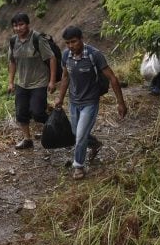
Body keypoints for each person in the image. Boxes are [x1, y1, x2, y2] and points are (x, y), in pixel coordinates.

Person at [53, 27, 127, 180]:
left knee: (79, 136)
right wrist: (60, 98)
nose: (71, 46)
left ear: (81, 39)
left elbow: (112, 78)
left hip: (90, 103)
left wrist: (121, 103)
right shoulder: (66, 55)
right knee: (75, 133)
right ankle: (95, 144)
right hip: (73, 102)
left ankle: (78, 166)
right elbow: (65, 77)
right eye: (68, 43)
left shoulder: (94, 55)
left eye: (74, 42)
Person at [7, 13, 57, 149]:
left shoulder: (37, 38)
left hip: (39, 82)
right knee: (21, 113)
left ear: (28, 24)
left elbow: (51, 59)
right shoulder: (13, 41)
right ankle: (27, 139)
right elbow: (12, 62)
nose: (18, 28)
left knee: (37, 112)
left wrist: (52, 81)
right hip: (21, 82)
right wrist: (11, 82)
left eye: (21, 24)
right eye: (15, 25)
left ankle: (54, 126)